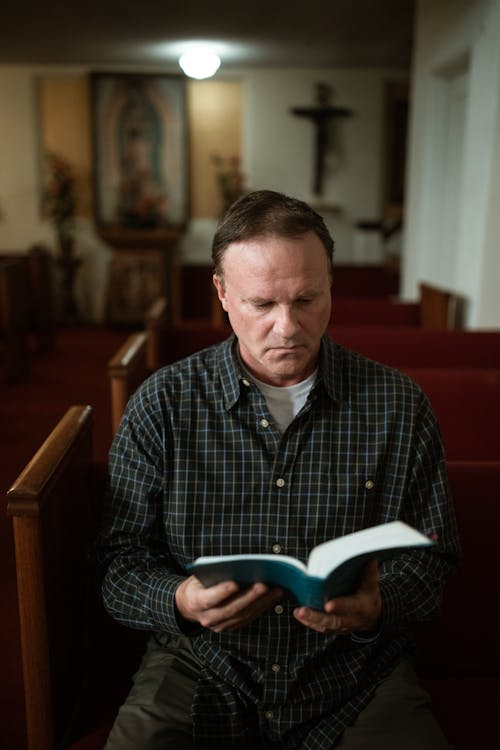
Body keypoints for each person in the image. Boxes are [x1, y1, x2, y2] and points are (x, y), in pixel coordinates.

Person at [97, 189, 460, 750]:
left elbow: (433, 560)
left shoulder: (399, 404)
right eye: (262, 304)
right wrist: (179, 600)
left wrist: (377, 605)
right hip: (200, 664)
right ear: (222, 293)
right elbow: (119, 566)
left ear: (331, 286)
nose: (287, 328)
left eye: (307, 299)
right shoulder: (162, 403)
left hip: (356, 673)